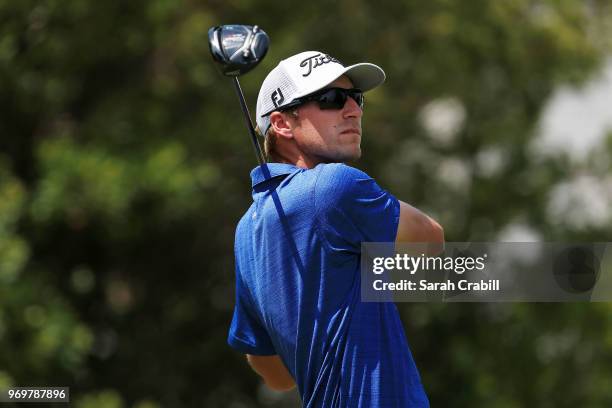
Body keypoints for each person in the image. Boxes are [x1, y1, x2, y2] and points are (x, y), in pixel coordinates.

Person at [228, 50, 444, 407]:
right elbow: (430, 239)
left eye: (356, 98)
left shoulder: (246, 230)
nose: (354, 110)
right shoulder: (335, 186)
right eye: (330, 99)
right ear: (281, 124)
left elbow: (277, 375)